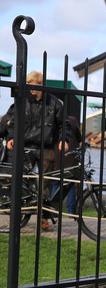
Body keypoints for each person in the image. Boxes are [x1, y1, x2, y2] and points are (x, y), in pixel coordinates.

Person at [3, 71, 71, 230]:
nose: (31, 88)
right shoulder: (22, 102)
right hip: (25, 146)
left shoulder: (55, 103)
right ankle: (18, 215)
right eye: (29, 84)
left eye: (34, 84)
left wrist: (63, 140)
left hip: (46, 147)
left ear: (41, 85)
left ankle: (43, 219)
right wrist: (12, 136)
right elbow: (12, 121)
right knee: (21, 183)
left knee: (45, 184)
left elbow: (64, 124)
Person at [51, 116, 82, 215]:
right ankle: (70, 211)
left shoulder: (53, 120)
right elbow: (79, 136)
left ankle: (52, 210)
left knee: (56, 183)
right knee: (70, 185)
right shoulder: (72, 120)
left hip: (57, 155)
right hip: (70, 156)